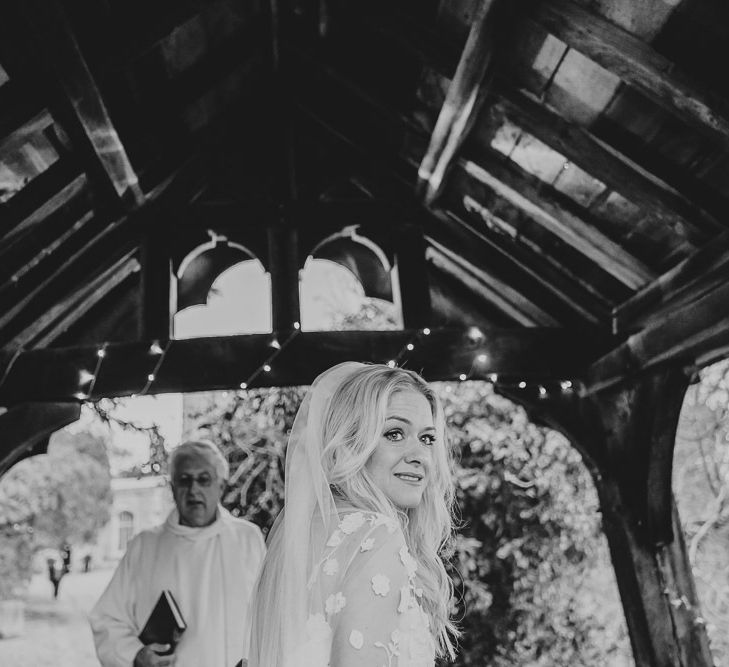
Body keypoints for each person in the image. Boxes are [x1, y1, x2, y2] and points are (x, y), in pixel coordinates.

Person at [248, 362, 459, 667]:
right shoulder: (375, 533)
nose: (419, 456)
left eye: (427, 438)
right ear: (351, 444)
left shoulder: (304, 534)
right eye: (395, 433)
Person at [90, 439, 266, 667]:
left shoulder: (248, 539)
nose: (194, 489)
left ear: (220, 486)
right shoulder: (145, 546)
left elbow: (269, 614)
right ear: (172, 488)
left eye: (203, 479)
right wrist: (135, 654)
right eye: (184, 480)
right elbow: (106, 619)